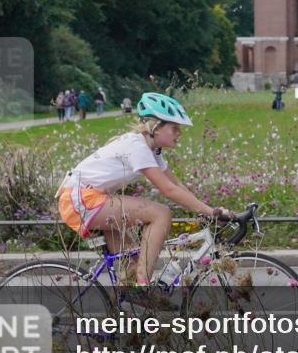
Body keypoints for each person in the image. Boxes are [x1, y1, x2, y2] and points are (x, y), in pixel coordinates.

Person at [56, 92, 233, 291]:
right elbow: (168, 190)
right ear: (155, 127)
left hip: (90, 198)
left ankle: (123, 310)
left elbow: (177, 186)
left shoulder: (151, 151)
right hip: (81, 198)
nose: (179, 133)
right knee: (161, 213)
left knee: (132, 265)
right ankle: (144, 287)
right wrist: (210, 211)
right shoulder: (137, 146)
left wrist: (208, 210)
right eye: (174, 128)